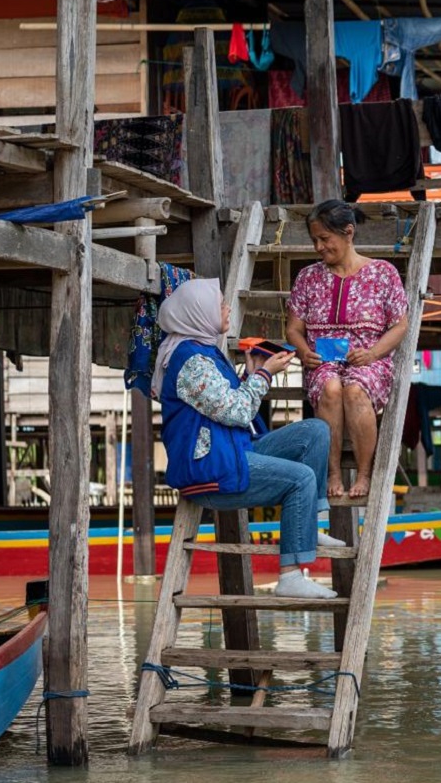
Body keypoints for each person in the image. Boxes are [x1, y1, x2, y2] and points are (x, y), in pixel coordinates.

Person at [153, 278, 340, 599]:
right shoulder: (191, 361)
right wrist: (264, 375)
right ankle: (290, 575)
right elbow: (237, 411)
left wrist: (250, 375)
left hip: (230, 451)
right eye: (219, 304)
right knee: (301, 478)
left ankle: (307, 524)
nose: (226, 308)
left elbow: (219, 401)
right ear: (199, 313)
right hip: (211, 471)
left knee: (316, 431)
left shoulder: (204, 349)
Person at [287, 200, 409, 499]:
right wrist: (304, 352)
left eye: (325, 239)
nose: (318, 246)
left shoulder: (383, 273)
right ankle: (332, 471)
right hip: (323, 361)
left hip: (369, 359)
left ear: (348, 233)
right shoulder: (308, 277)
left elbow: (400, 326)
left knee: (355, 389)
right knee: (330, 388)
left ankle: (365, 473)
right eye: (314, 239)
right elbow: (293, 329)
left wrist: (372, 354)